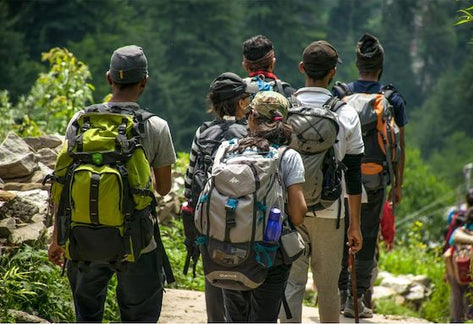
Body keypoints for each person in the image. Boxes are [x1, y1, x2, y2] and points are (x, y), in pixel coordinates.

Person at [47, 45, 176, 322]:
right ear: (145, 81)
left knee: (88, 315)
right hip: (138, 242)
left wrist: (57, 237)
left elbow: (62, 184)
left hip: (83, 239)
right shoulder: (155, 126)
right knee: (139, 316)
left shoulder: (80, 122)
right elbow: (164, 188)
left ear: (109, 79)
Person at [279, 40, 364, 323]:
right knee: (328, 288)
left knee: (292, 285)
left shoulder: (286, 111)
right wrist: (355, 225)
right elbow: (353, 175)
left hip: (292, 210)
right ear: (332, 74)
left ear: (302, 68)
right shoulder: (346, 113)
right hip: (331, 214)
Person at [335, 33, 408, 318]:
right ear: (381, 66)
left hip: (343, 180)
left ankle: (342, 295)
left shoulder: (342, 94)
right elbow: (400, 146)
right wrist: (398, 184)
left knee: (342, 233)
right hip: (376, 180)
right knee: (366, 234)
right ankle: (358, 299)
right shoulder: (392, 99)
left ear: (357, 65)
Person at [221, 90, 307, 322]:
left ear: (251, 117)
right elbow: (298, 215)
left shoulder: (227, 149)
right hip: (271, 253)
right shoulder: (288, 156)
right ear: (284, 120)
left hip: (229, 249)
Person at [182, 72, 253, 322]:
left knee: (214, 283)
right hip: (246, 221)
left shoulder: (203, 132)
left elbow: (189, 183)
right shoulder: (250, 133)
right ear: (241, 102)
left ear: (213, 102)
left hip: (208, 223)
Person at [445, 188, 473, 322]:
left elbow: (450, 244)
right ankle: (471, 318)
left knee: (456, 294)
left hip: (456, 268)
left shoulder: (458, 232)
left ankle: (455, 320)